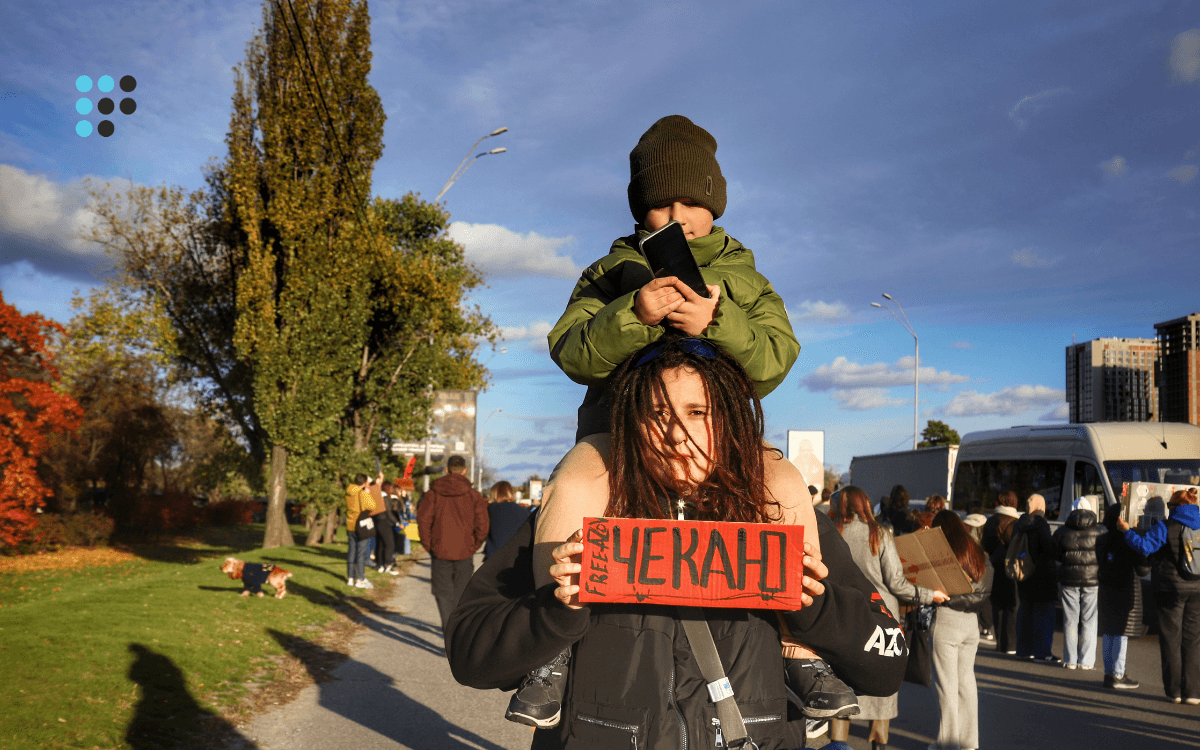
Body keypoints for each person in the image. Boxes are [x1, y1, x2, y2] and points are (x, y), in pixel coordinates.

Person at [522, 115, 851, 722]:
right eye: (660, 204)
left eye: (692, 202)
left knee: (782, 485)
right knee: (571, 482)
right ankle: (553, 652)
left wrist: (717, 324)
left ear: (715, 204)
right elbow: (569, 349)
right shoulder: (609, 273)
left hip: (718, 440)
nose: (677, 216)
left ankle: (801, 650)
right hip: (619, 437)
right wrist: (634, 313)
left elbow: (777, 359)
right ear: (638, 209)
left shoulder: (747, 279)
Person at [446, 337, 909, 749]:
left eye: (697, 413)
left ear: (729, 422)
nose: (676, 437)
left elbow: (888, 666)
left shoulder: (782, 518)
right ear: (630, 420)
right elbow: (469, 655)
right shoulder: (578, 516)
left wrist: (816, 610)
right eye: (658, 413)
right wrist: (555, 611)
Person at [825, 486, 947, 750]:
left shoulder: (832, 533)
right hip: (881, 616)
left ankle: (838, 740)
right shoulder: (879, 534)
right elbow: (896, 582)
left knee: (844, 678)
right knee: (882, 678)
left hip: (842, 615)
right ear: (866, 505)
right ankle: (878, 741)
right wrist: (929, 595)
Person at [1120, 488, 1200, 703]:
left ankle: (1174, 692)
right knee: (1193, 641)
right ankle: (1193, 693)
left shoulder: (1166, 526)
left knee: (1171, 640)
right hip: (1197, 589)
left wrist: (1127, 531)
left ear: (1174, 507)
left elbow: (1144, 547)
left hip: (1170, 589)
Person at [927, 511, 992, 750]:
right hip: (971, 623)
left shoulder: (942, 549)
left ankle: (948, 744)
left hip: (947, 618)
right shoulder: (973, 547)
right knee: (966, 683)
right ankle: (969, 743)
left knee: (946, 687)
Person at [416, 454, 489, 630]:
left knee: (443, 594)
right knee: (460, 595)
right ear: (464, 471)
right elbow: (483, 524)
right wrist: (473, 546)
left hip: (440, 551)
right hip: (464, 552)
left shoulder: (433, 494)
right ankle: (456, 632)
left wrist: (430, 546)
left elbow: (423, 521)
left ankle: (449, 630)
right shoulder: (473, 496)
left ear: (447, 469)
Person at [1098, 501, 1148, 689]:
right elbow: (1143, 570)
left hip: (1105, 588)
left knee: (1109, 631)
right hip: (1126, 588)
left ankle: (1109, 672)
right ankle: (1119, 674)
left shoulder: (1101, 540)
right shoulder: (1129, 540)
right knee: (1121, 632)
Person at [1053, 496, 1103, 669]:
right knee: (1089, 619)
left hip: (1068, 579)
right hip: (1093, 579)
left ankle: (1070, 660)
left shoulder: (1061, 532)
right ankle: (1086, 661)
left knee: (1070, 619)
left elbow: (1056, 555)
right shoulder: (1100, 531)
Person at [1014, 493, 1059, 662]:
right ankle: (1042, 652)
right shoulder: (1041, 524)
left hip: (1024, 573)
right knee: (1044, 614)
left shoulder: (1020, 523)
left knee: (1025, 611)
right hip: (1042, 574)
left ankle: (1023, 650)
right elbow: (1049, 548)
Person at [988, 509, 1020, 655]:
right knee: (1012, 606)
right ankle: (1011, 644)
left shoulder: (992, 521)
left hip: (995, 563)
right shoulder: (1016, 522)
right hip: (1011, 565)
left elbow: (985, 544)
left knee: (997, 604)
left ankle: (1000, 643)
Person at [344, 472, 377, 589]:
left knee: (351, 553)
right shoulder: (361, 494)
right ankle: (360, 579)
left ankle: (350, 578)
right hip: (361, 527)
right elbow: (372, 506)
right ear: (363, 483)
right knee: (361, 553)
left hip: (350, 525)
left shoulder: (349, 491)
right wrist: (367, 493)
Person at [485, 481, 530, 559]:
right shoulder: (523, 510)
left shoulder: (490, 509)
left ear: (494, 493)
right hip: (517, 556)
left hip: (494, 556)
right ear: (511, 493)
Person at [372, 481, 401, 575]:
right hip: (385, 523)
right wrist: (397, 523)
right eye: (391, 488)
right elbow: (388, 513)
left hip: (377, 522)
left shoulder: (377, 496)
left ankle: (380, 565)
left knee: (380, 544)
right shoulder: (385, 498)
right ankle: (388, 565)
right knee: (390, 544)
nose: (392, 490)